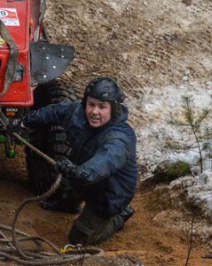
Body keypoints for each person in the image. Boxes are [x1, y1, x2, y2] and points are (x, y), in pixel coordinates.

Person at [16, 77, 138, 246]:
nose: (94, 111)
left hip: (109, 193)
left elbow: (103, 163)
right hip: (82, 173)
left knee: (79, 239)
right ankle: (68, 203)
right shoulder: (77, 113)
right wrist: (23, 123)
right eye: (91, 104)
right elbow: (54, 111)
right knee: (69, 180)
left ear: (114, 108)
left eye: (102, 107)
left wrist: (78, 172)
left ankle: (120, 215)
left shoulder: (119, 138)